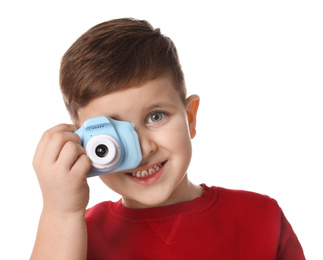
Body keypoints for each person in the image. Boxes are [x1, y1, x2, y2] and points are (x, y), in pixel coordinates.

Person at [30, 18, 305, 259]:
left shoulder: (260, 217)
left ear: (190, 118)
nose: (143, 148)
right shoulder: (75, 236)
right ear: (84, 147)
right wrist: (60, 213)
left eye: (156, 117)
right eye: (111, 134)